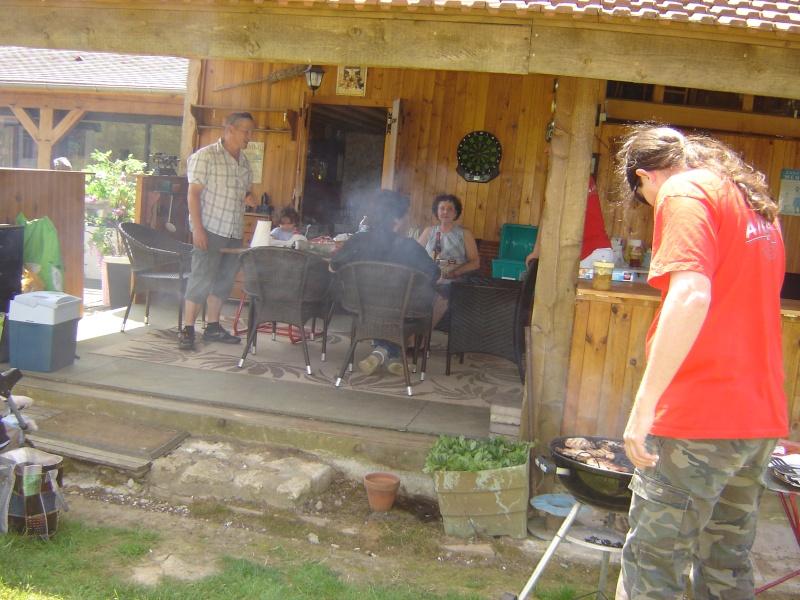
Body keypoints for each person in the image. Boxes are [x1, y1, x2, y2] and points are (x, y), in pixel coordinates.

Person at [614, 124, 787, 599]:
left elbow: (691, 295)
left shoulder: (682, 191)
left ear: (647, 177)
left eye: (643, 196)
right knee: (724, 566)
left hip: (698, 420)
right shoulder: (754, 204)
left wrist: (644, 406)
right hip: (756, 418)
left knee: (654, 567)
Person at [330, 189, 441, 376]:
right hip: (401, 309)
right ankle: (388, 354)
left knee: (385, 308)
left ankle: (383, 353)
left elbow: (332, 268)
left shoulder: (357, 241)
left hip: (362, 306)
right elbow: (438, 277)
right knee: (400, 307)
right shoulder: (409, 246)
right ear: (397, 219)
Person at [179, 112, 260, 350]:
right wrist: (198, 230)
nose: (249, 137)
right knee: (201, 279)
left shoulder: (244, 163)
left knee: (223, 282)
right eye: (246, 131)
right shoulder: (205, 157)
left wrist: (250, 198)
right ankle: (188, 329)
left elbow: (245, 193)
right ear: (230, 129)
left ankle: (213, 327)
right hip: (210, 229)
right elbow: (193, 194)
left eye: (251, 132)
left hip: (233, 232)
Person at [525, 144, 613, 269]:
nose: (546, 149)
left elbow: (549, 218)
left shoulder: (565, 178)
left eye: (552, 144)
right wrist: (537, 250)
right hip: (598, 251)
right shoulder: (580, 175)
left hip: (588, 254)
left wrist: (538, 251)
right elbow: (547, 214)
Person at [416, 194, 480, 328]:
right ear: (437, 211)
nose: (445, 212)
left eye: (450, 209)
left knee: (442, 295)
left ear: (455, 212)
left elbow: (475, 262)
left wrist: (455, 273)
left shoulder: (464, 233)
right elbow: (415, 254)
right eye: (442, 208)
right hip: (428, 278)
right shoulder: (429, 231)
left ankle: (420, 340)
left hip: (452, 280)